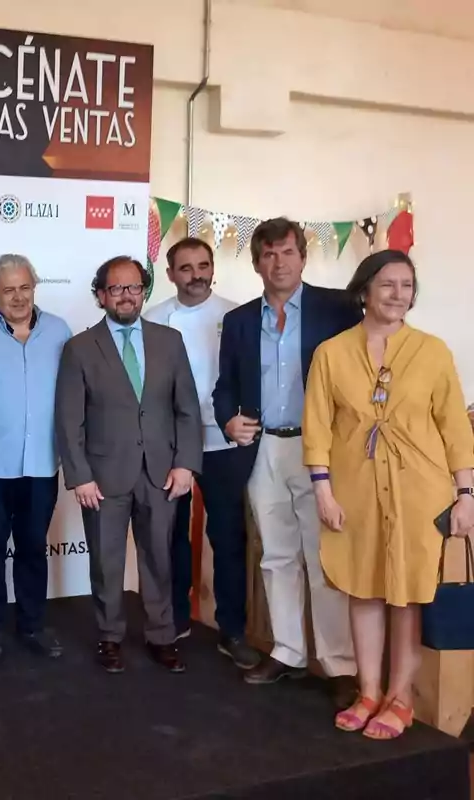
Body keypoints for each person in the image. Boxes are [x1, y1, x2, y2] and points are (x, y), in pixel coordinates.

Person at [304, 250, 474, 739]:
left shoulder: (433, 351)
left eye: (406, 286)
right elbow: (317, 427)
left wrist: (465, 493)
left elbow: (455, 429)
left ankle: (400, 698)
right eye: (387, 285)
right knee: (363, 588)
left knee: (407, 594)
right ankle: (368, 691)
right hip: (353, 489)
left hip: (421, 491)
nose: (399, 295)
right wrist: (323, 489)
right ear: (364, 292)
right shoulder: (332, 353)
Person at [213, 217, 362, 708]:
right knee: (276, 556)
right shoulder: (238, 321)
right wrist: (228, 420)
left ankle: (340, 664)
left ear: (303, 257)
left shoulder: (337, 308)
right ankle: (288, 651)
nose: (279, 263)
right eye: (269, 255)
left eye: (288, 252)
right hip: (263, 450)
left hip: (320, 450)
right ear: (256, 262)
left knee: (324, 558)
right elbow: (226, 386)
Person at [57, 256, 201, 673]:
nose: (126, 296)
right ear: (101, 295)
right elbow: (69, 419)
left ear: (144, 291)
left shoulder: (169, 342)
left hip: (161, 473)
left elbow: (187, 410)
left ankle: (162, 635)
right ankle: (109, 636)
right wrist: (80, 475)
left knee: (159, 557)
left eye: (134, 287)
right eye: (116, 289)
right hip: (103, 478)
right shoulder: (80, 348)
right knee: (107, 561)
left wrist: (186, 465)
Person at [144, 239, 262, 669]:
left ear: (213, 269)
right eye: (186, 268)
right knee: (169, 534)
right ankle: (173, 619)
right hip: (170, 444)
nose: (196, 275)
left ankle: (232, 630)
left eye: (203, 266)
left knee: (227, 536)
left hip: (223, 442)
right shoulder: (153, 319)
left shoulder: (238, 316)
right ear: (171, 273)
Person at [0, 254, 72, 662]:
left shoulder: (60, 331)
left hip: (42, 463)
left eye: (25, 287)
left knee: (33, 546)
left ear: (35, 287)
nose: (18, 297)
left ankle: (32, 624)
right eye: (8, 289)